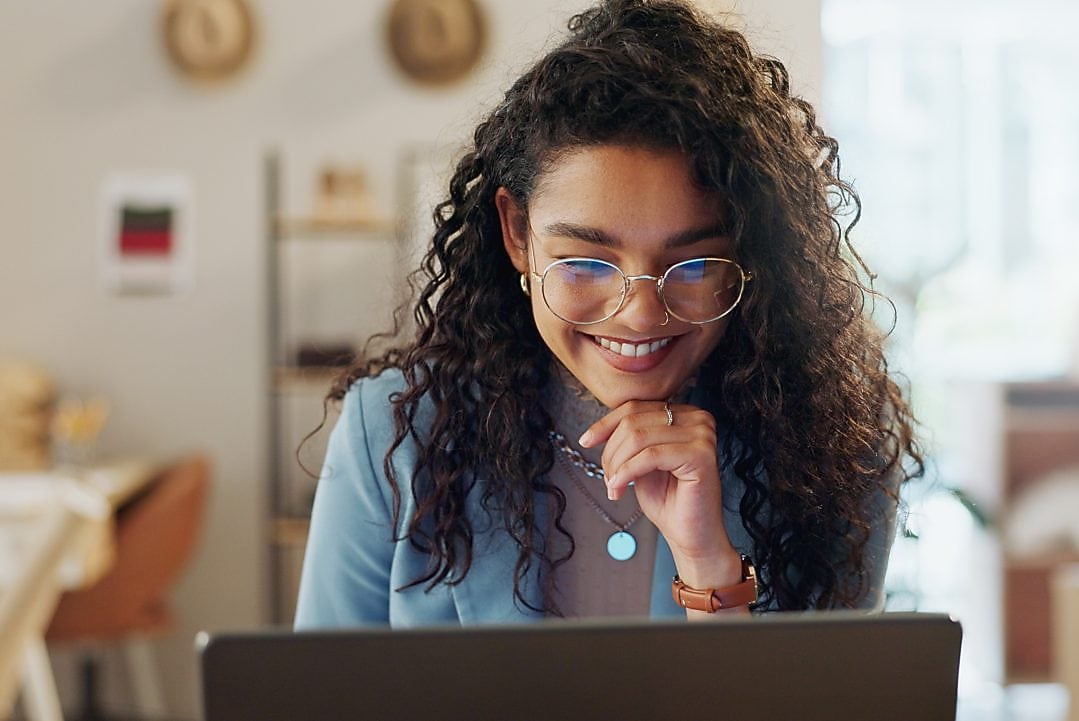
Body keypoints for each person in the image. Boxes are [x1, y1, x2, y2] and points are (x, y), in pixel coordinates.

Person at [294, 0, 921, 628]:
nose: (641, 315)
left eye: (695, 265)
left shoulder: (836, 451)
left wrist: (710, 570)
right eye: (588, 264)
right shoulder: (396, 437)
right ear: (518, 233)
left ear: (748, 251)